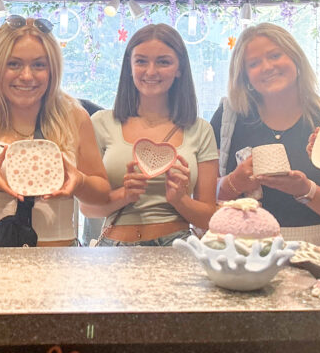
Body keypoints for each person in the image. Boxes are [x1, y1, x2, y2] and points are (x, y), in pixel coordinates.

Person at [0, 16, 109, 246]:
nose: (26, 76)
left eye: (39, 65)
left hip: (59, 265)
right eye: (13, 64)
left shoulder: (74, 116)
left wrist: (79, 181)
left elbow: (102, 195)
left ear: (52, 69)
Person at [211, 23, 320, 244]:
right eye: (254, 63)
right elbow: (205, 198)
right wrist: (235, 182)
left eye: (275, 55)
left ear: (296, 59)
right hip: (243, 248)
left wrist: (306, 190)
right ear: (244, 76)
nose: (267, 67)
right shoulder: (229, 118)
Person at [82, 24, 218, 246]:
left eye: (163, 62)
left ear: (179, 69)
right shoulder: (101, 123)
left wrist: (180, 200)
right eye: (141, 61)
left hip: (177, 246)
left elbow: (209, 218)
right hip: (115, 249)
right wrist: (124, 195)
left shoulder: (200, 130)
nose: (151, 71)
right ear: (129, 67)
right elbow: (87, 207)